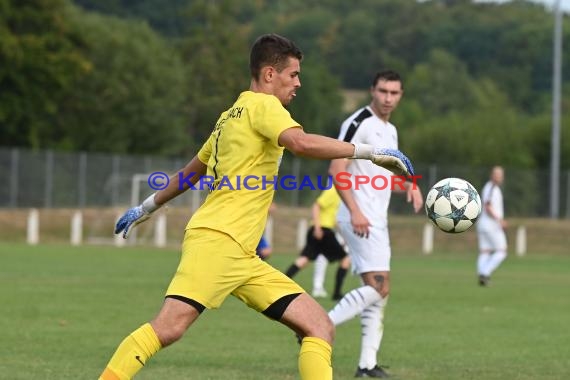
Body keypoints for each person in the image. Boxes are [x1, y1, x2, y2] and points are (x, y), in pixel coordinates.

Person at [98, 34, 414, 380]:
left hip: (243, 255)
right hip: (218, 243)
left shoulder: (229, 116)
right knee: (168, 327)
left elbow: (189, 174)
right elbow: (301, 142)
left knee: (319, 326)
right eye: (292, 75)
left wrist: (144, 208)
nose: (298, 83)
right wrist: (369, 152)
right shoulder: (265, 107)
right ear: (268, 74)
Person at [327, 70, 423, 378]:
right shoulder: (359, 122)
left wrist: (408, 183)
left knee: (378, 291)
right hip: (359, 217)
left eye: (394, 93)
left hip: (376, 219)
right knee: (380, 287)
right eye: (383, 91)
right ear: (372, 90)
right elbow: (336, 168)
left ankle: (366, 364)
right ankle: (317, 324)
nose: (388, 98)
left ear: (401, 95)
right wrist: (354, 210)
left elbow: (380, 177)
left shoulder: (390, 130)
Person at [284, 187, 351, 300]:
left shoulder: (340, 195)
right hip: (323, 232)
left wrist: (344, 235)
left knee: (304, 259)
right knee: (345, 259)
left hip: (321, 230)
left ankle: (282, 284)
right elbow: (316, 206)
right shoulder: (334, 191)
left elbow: (333, 218)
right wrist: (318, 228)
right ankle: (337, 293)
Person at [476, 166, 508, 287]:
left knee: (485, 251)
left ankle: (482, 274)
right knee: (502, 251)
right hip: (491, 225)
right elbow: (488, 207)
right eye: (497, 174)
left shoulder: (489, 187)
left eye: (501, 174)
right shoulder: (492, 188)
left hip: (483, 224)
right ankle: (485, 272)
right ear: (492, 175)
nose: (499, 177)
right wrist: (500, 220)